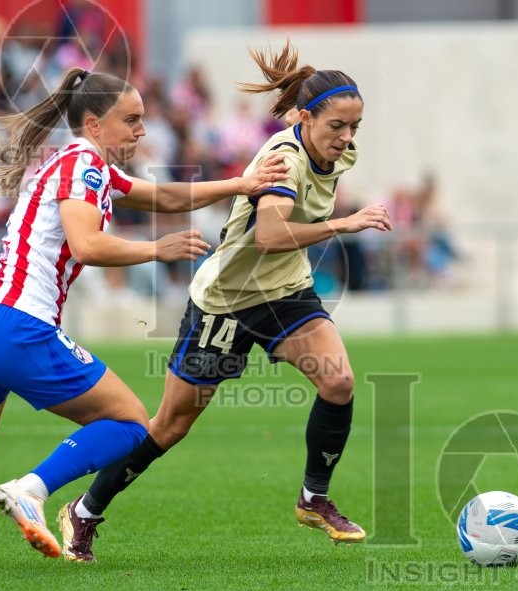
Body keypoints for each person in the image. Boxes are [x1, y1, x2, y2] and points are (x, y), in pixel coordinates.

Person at [0, 66, 287, 570]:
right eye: (130, 120)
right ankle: (31, 489)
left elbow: (162, 195)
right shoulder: (86, 166)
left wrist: (240, 183)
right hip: (18, 323)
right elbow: (86, 245)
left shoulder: (77, 162)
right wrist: (157, 248)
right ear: (93, 124)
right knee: (132, 422)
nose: (140, 130)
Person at [57, 42, 392, 562]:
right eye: (337, 127)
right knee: (170, 426)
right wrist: (345, 224)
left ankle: (313, 498)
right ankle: (85, 510)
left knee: (339, 380)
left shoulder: (340, 152)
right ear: (305, 118)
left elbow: (286, 242)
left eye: (355, 127)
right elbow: (271, 236)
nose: (347, 138)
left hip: (285, 293)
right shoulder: (282, 158)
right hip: (225, 303)